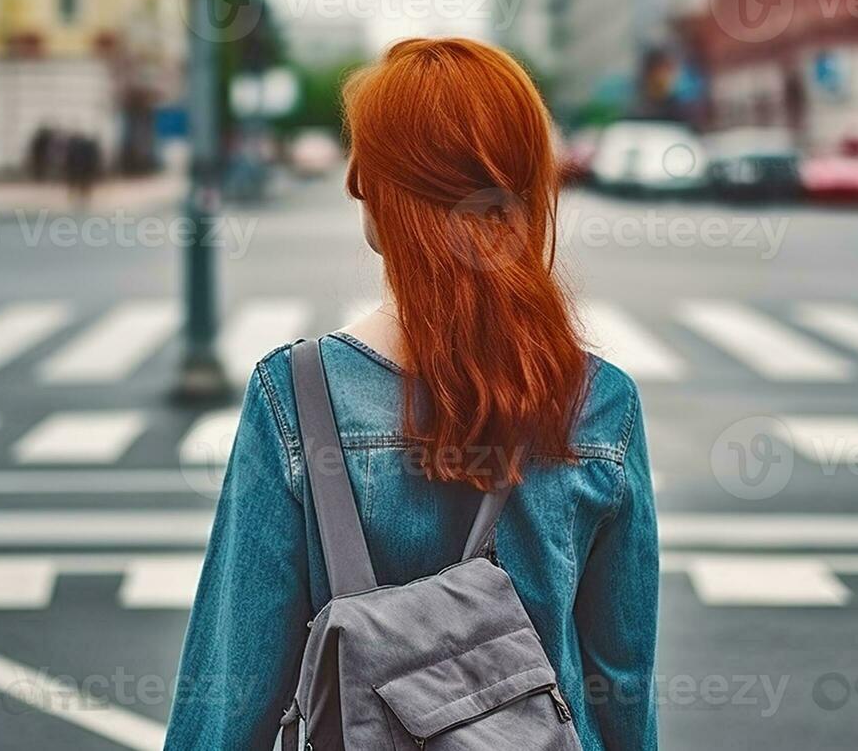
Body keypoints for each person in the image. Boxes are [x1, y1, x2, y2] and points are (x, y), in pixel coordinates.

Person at [163, 38, 659, 749]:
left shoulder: (298, 399)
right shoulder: (600, 405)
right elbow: (624, 691)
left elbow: (229, 697)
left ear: (376, 198)